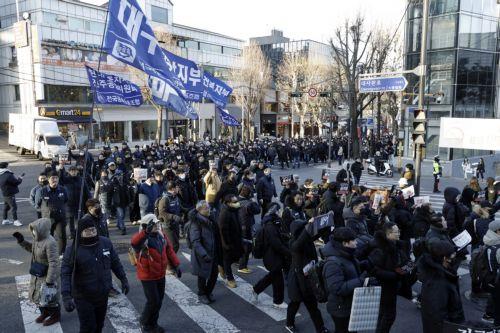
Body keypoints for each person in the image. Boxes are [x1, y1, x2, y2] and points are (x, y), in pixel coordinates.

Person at [61, 218, 129, 333]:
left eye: (93, 230)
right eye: (87, 231)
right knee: (88, 328)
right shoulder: (72, 250)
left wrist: (123, 278)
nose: (91, 233)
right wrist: (66, 296)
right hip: (84, 297)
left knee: (99, 325)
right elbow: (65, 273)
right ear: (80, 233)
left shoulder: (105, 242)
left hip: (102, 294)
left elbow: (115, 262)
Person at [131, 214, 181, 332]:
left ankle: (153, 324)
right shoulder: (143, 237)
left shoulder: (161, 235)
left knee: (159, 301)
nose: (158, 225)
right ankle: (144, 322)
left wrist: (176, 265)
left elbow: (169, 250)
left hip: (160, 274)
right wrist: (145, 232)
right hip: (147, 276)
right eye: (154, 224)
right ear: (146, 226)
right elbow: (134, 243)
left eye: (158, 223)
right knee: (153, 301)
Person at [12, 218, 60, 326]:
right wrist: (22, 241)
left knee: (50, 298)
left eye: (35, 229)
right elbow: (31, 249)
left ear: (41, 229)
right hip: (38, 273)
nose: (33, 232)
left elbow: (54, 263)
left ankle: (55, 316)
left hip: (47, 275)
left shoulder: (50, 242)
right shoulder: (37, 239)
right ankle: (45, 312)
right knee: (38, 296)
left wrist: (50, 281)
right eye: (32, 229)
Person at [286, 218, 329, 333]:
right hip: (297, 282)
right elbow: (299, 243)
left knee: (313, 308)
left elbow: (318, 233)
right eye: (303, 229)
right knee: (294, 305)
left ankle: (321, 329)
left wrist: (326, 222)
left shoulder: (307, 240)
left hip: (308, 280)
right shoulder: (293, 244)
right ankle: (289, 323)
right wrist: (308, 226)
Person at [323, 227, 367, 333]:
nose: (356, 242)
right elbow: (337, 288)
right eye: (353, 240)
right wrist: (361, 281)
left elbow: (348, 269)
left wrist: (365, 264)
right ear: (345, 243)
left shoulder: (345, 253)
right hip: (340, 308)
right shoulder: (333, 263)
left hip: (349, 304)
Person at [369, 222, 411, 333]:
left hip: (393, 285)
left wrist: (408, 266)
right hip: (385, 286)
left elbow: (402, 262)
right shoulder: (379, 248)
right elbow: (374, 270)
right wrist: (394, 275)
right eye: (396, 232)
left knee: (384, 313)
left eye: (399, 231)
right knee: (389, 315)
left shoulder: (397, 245)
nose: (399, 234)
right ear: (388, 234)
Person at [417, 240, 464, 333]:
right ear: (444, 258)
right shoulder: (438, 281)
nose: (455, 256)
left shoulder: (439, 271)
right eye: (452, 254)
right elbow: (437, 314)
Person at [252, 202, 290, 307]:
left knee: (273, 277)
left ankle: (256, 289)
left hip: (275, 255)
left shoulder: (274, 222)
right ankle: (278, 302)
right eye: (279, 209)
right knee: (278, 280)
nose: (281, 211)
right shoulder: (270, 226)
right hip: (272, 256)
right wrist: (288, 253)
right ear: (275, 211)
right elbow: (276, 244)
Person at [189, 201, 222, 304]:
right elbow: (195, 241)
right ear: (199, 210)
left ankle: (208, 292)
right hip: (202, 255)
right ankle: (202, 294)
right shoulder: (196, 223)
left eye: (208, 208)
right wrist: (204, 254)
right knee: (202, 276)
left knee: (214, 274)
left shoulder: (210, 219)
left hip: (213, 252)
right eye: (206, 208)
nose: (209, 210)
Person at [37, 171, 68, 255]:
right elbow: (37, 204)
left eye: (56, 178)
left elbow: (66, 200)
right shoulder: (42, 191)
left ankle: (61, 253)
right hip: (48, 219)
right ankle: (47, 253)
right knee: (47, 237)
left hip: (60, 217)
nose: (54, 180)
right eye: (52, 178)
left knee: (62, 236)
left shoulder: (62, 189)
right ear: (48, 179)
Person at [217, 194, 243, 288]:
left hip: (236, 239)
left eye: (237, 201)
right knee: (227, 260)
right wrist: (226, 244)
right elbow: (222, 231)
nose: (237, 203)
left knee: (233, 258)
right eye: (234, 202)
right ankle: (230, 278)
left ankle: (221, 265)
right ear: (228, 203)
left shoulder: (234, 210)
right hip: (227, 241)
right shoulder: (225, 213)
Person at [237, 185, 261, 273]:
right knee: (247, 246)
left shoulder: (236, 199)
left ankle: (238, 261)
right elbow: (258, 210)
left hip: (238, 225)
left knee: (240, 244)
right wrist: (254, 202)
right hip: (247, 226)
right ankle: (242, 266)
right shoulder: (249, 203)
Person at [64, 165, 90, 239]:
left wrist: (89, 199)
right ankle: (72, 234)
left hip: (79, 204)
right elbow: (60, 178)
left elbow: (86, 191)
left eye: (75, 171)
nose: (73, 172)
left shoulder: (81, 180)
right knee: (70, 221)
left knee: (79, 220)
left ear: (77, 171)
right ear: (69, 172)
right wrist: (61, 169)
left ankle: (79, 232)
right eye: (72, 171)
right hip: (69, 204)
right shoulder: (66, 180)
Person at [157, 181, 182, 253]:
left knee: (176, 245)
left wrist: (188, 210)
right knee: (173, 246)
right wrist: (173, 217)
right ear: (173, 189)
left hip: (175, 224)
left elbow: (180, 207)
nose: (178, 189)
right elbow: (162, 213)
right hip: (167, 226)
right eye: (177, 187)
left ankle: (171, 262)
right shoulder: (165, 199)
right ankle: (169, 263)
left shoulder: (176, 197)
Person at [0, 161, 23, 226]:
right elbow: (16, 182)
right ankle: (16, 221)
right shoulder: (8, 174)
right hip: (10, 193)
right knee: (14, 207)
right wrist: (20, 178)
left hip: (4, 192)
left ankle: (5, 220)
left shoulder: (1, 174)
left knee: (6, 206)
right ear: (6, 166)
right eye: (8, 165)